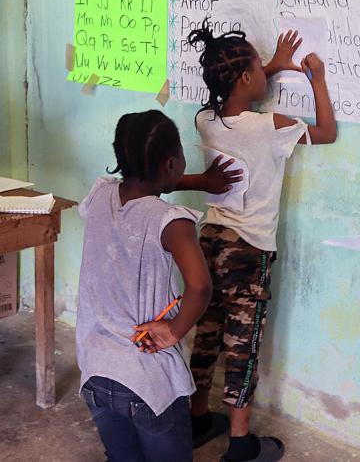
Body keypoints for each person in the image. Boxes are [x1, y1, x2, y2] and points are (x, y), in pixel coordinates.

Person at [185, 22, 337, 462]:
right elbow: (326, 131)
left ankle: (197, 420)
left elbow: (235, 88)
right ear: (249, 79)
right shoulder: (270, 126)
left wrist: (267, 64)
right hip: (248, 249)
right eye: (259, 67)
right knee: (242, 343)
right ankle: (240, 443)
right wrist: (317, 79)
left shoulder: (205, 120)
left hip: (209, 241)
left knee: (209, 331)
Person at [76, 110, 241, 462]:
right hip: (145, 380)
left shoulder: (100, 194)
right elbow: (199, 288)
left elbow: (143, 186)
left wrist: (196, 181)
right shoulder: (173, 222)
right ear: (171, 163)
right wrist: (174, 330)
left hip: (94, 368)